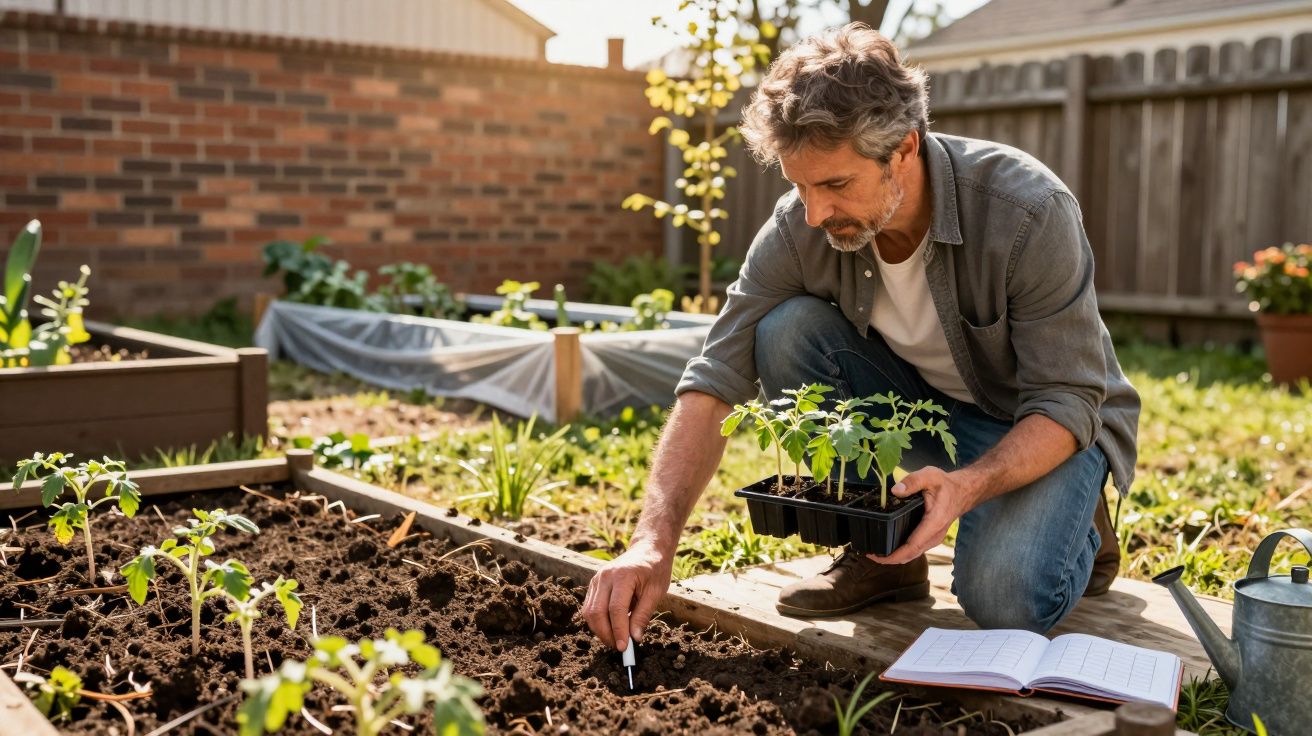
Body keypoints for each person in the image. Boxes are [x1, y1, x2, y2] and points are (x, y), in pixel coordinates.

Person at [582, 23, 1139, 654]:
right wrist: (652, 542)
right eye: (799, 185)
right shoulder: (800, 228)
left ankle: (1077, 516)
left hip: (1041, 426)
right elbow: (714, 378)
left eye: (836, 185)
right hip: (925, 412)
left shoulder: (1027, 212)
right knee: (786, 330)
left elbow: (1066, 397)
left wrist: (971, 486)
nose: (814, 213)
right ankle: (884, 557)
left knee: (1006, 600)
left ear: (904, 147)